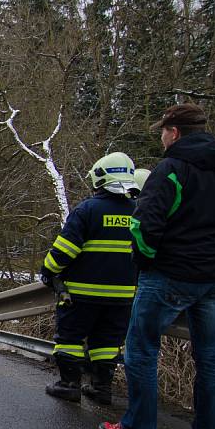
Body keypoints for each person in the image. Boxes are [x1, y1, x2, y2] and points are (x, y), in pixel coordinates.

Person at [100, 103, 215, 429]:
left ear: (176, 132)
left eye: (163, 132)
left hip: (169, 275)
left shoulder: (169, 170)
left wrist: (146, 261)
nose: (162, 138)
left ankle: (139, 428)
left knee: (141, 349)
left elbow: (143, 226)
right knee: (212, 357)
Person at [39, 152, 139, 405]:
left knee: (70, 338)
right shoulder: (140, 212)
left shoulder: (88, 210)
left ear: (100, 178)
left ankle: (69, 384)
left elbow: (65, 249)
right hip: (123, 297)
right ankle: (101, 388)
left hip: (82, 295)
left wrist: (49, 271)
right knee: (107, 342)